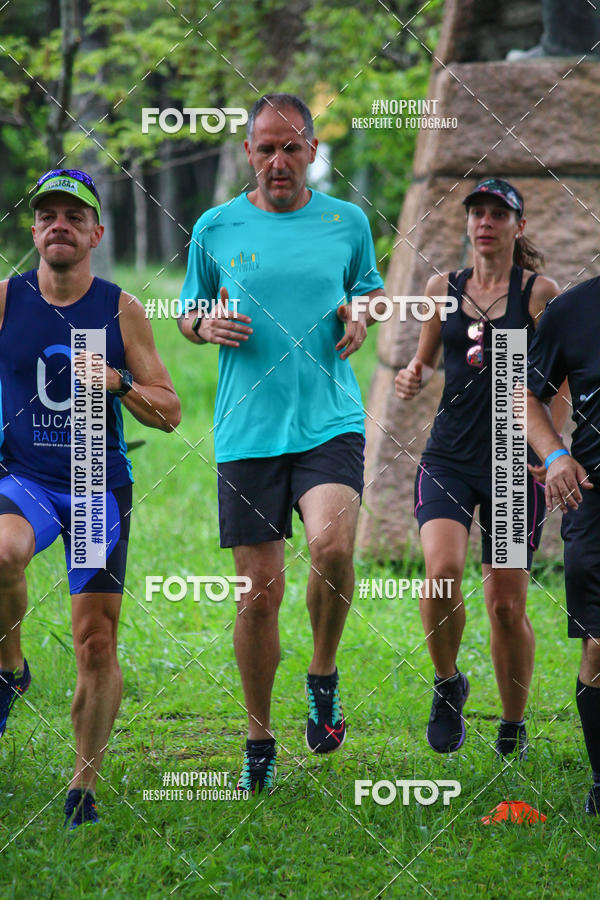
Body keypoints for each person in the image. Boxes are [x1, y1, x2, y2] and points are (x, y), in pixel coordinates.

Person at [178, 93, 384, 793]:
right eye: (265, 149)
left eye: (291, 148)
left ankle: (322, 674)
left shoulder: (345, 222)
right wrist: (202, 326)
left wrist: (360, 313)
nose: (278, 162)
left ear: (312, 153)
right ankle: (258, 738)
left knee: (332, 546)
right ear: (247, 153)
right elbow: (188, 310)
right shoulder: (215, 226)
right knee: (257, 597)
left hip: (328, 417)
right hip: (247, 429)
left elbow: (370, 292)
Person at [0, 169, 181, 827]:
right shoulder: (4, 300)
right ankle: (10, 667)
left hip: (93, 483)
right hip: (23, 478)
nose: (59, 226)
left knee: (96, 643)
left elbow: (170, 412)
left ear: (96, 233)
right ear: (34, 229)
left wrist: (118, 381)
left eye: (74, 217)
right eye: (48, 215)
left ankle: (83, 788)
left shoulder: (119, 309)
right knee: (1, 553)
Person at [395, 178, 563, 759]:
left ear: (518, 226)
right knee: (440, 572)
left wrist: (550, 448)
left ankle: (512, 724)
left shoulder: (539, 293)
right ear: (466, 224)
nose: (485, 223)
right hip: (448, 455)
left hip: (514, 463)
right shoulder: (443, 287)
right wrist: (411, 375)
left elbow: (557, 377)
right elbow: (421, 362)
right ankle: (448, 685)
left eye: (498, 214)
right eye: (477, 213)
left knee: (504, 603)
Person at [527, 275, 600, 814]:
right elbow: (521, 388)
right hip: (594, 494)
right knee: (599, 641)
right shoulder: (572, 310)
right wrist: (554, 454)